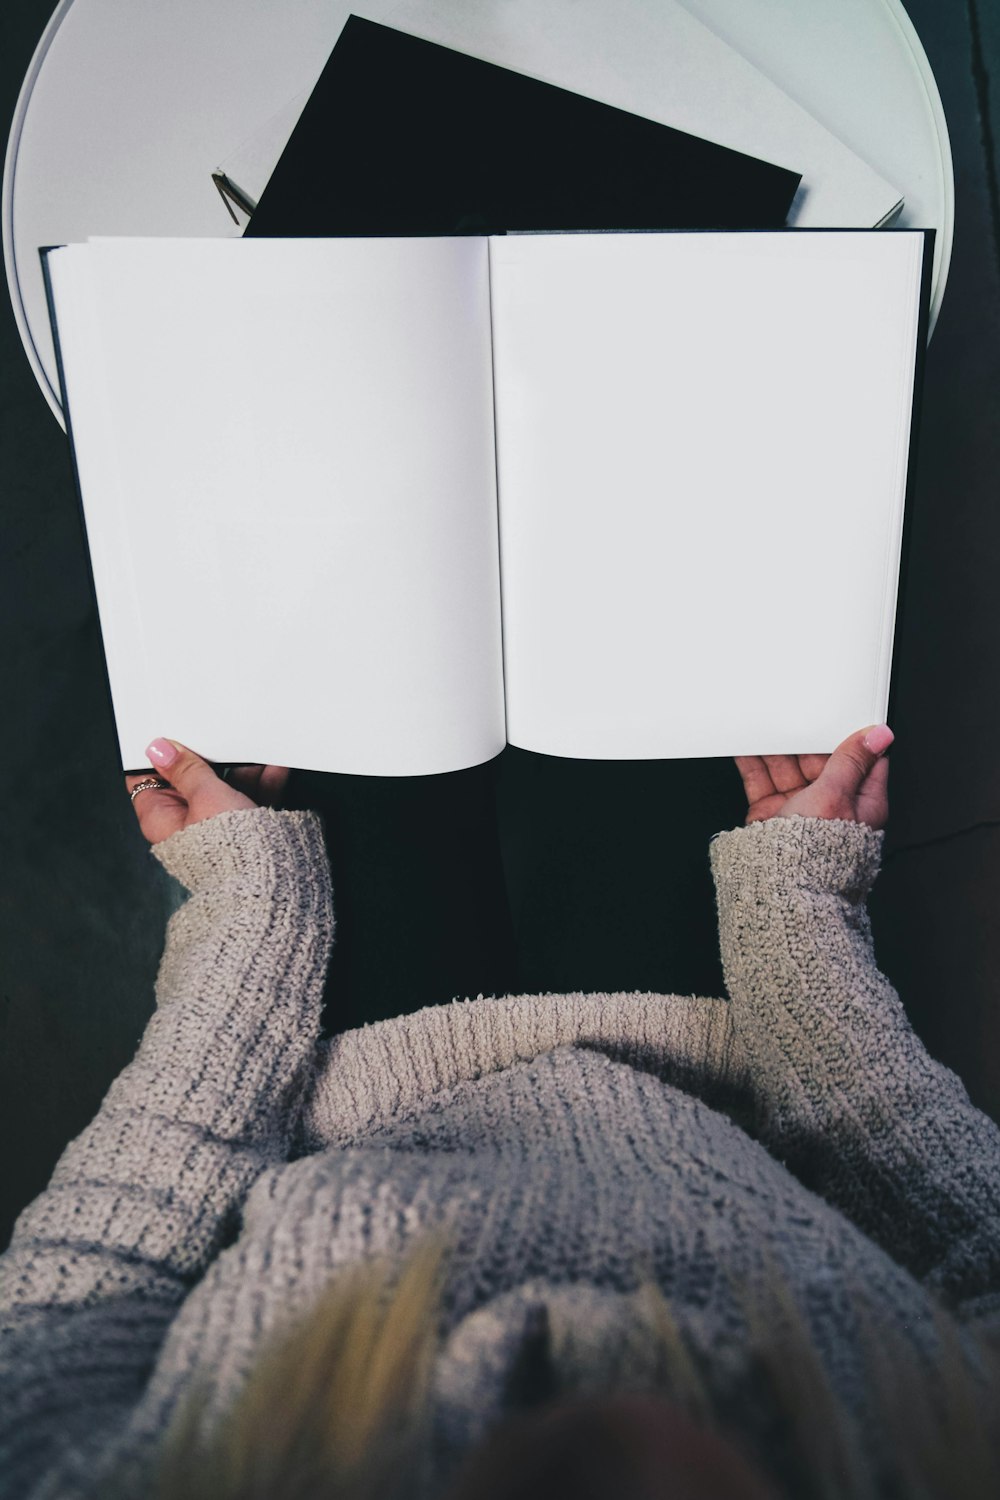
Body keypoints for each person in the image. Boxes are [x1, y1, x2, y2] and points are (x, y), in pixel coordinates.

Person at [1, 726, 999, 1500]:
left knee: (367, 634)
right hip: (714, 1044)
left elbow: (101, 1272)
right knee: (627, 609)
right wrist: (798, 910)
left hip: (348, 1058)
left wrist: (252, 910)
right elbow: (968, 1234)